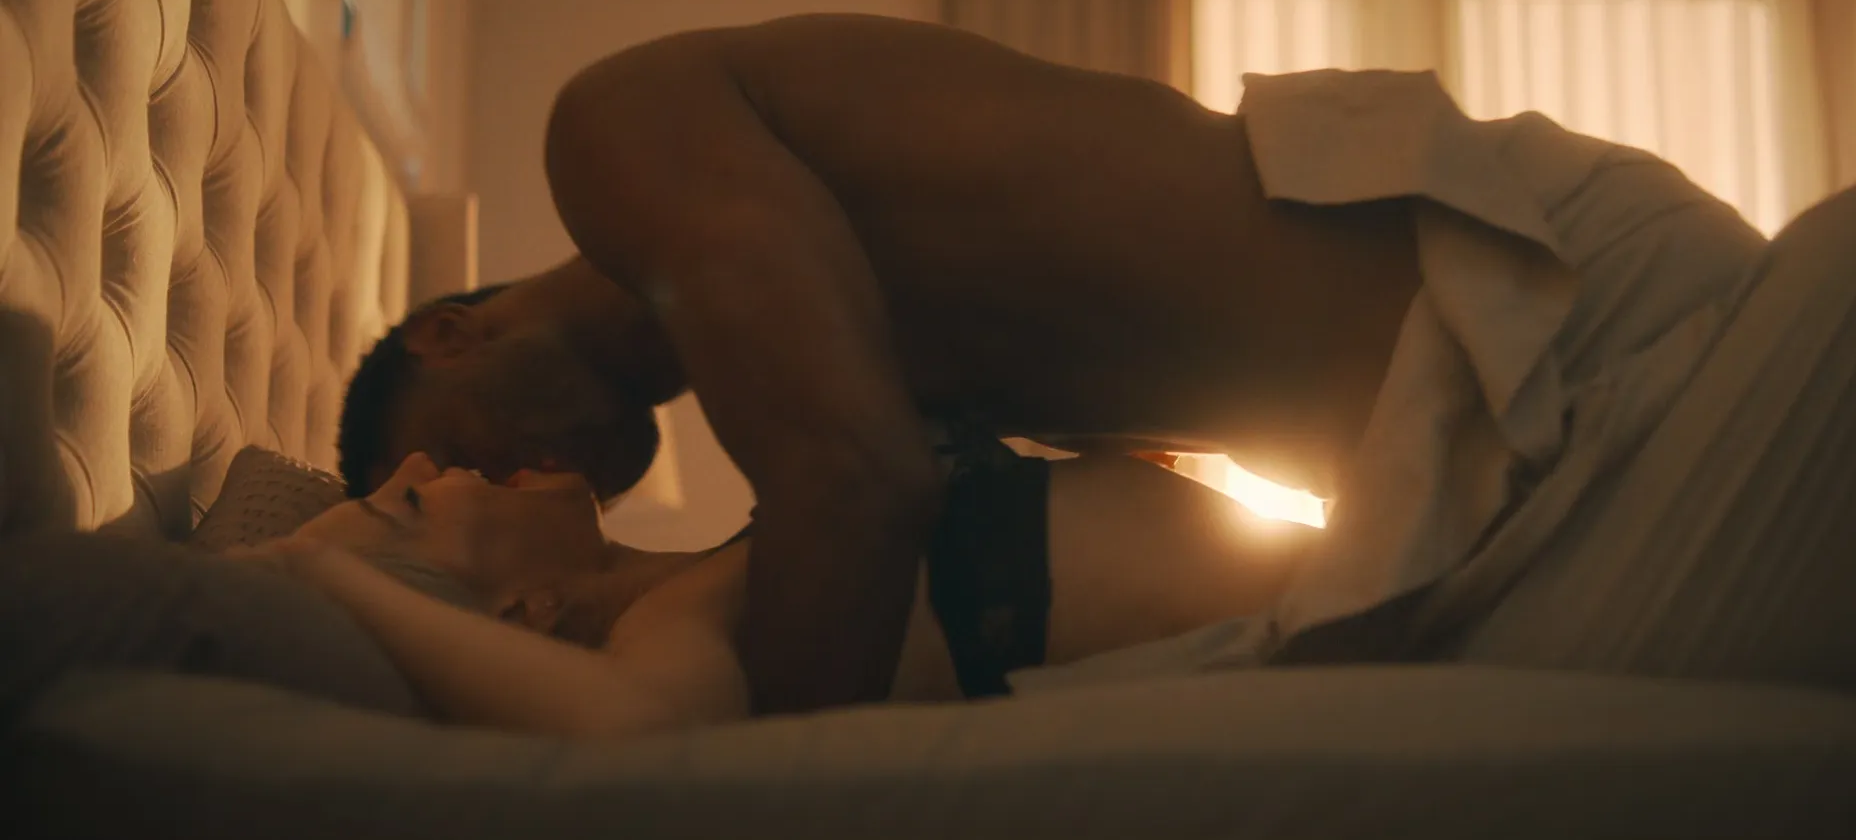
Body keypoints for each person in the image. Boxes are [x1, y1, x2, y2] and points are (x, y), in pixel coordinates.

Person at [338, 14, 1764, 714]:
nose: (509, 477)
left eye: (451, 451)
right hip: (1460, 478)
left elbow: (862, 488)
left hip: (1527, 292)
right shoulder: (801, 344)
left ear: (448, 333)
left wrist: (739, 775)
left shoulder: (614, 134)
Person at [246, 448, 1303, 733]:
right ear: (528, 610)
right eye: (410, 504)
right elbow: (639, 724)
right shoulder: (673, 620)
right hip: (1326, 638)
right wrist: (316, 569)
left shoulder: (719, 565)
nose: (424, 460)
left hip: (1327, 577)